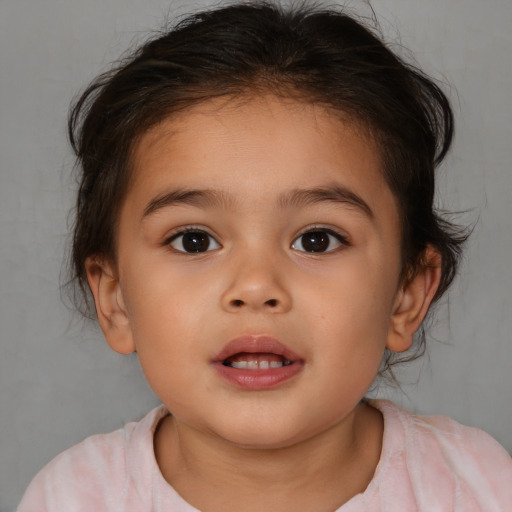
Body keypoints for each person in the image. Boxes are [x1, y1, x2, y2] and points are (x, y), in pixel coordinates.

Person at [17, 2, 512, 511]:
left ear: (406, 295)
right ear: (115, 298)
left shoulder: (483, 488)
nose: (255, 286)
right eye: (194, 240)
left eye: (317, 239)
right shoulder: (72, 498)